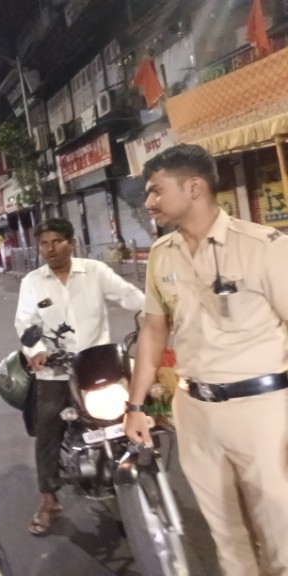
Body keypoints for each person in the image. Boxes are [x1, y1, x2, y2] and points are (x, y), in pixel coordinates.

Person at [125, 144, 288, 576]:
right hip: (194, 410)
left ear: (194, 187)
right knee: (227, 536)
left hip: (263, 411)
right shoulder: (162, 253)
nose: (149, 202)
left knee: (281, 535)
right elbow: (154, 330)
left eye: (156, 190)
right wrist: (136, 405)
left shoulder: (264, 247)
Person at [15, 217, 144, 536]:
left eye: (57, 241)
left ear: (71, 243)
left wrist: (153, 313)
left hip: (98, 366)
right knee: (48, 432)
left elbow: (128, 295)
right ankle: (49, 500)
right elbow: (25, 322)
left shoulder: (95, 271)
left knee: (130, 416)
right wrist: (37, 350)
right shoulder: (33, 281)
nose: (50, 249)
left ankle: (133, 483)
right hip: (55, 371)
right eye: (44, 244)